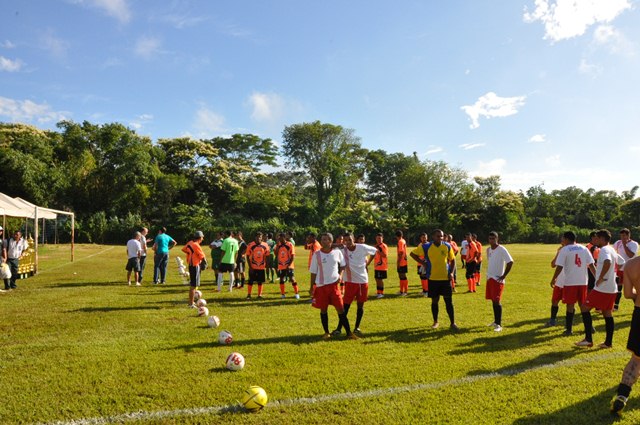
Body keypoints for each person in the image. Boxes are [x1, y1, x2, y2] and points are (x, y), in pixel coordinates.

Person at [576, 229, 622, 348]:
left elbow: (607, 262)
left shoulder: (604, 250)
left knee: (585, 308)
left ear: (602, 239)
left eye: (596, 238)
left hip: (602, 288)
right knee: (607, 313)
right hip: (612, 287)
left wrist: (601, 277)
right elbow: (621, 262)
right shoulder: (612, 249)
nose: (595, 240)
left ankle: (588, 339)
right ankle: (608, 342)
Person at [309, 232, 357, 340]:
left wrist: (340, 275)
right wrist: (311, 287)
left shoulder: (337, 253)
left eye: (326, 239)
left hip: (334, 286)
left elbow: (343, 265)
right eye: (322, 239)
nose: (323, 241)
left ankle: (349, 333)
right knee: (323, 310)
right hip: (321, 287)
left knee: (341, 309)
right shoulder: (316, 254)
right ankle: (326, 332)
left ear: (331, 242)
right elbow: (313, 272)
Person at [410, 229, 458, 330]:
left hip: (445, 279)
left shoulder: (447, 246)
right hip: (433, 279)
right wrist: (423, 263)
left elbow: (453, 260)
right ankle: (435, 322)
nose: (440, 238)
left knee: (448, 302)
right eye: (437, 236)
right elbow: (412, 254)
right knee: (434, 301)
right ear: (433, 237)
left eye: (441, 236)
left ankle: (453, 323)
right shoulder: (426, 247)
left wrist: (452, 273)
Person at [331, 232, 378, 336]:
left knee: (360, 306)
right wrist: (338, 244)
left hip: (362, 281)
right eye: (345, 240)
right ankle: (339, 328)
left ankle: (357, 327)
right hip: (350, 282)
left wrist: (368, 263)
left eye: (350, 240)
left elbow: (375, 251)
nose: (348, 242)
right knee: (345, 307)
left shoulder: (362, 247)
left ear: (354, 239)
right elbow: (328, 245)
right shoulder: (342, 249)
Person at [549, 231, 595, 336]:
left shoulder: (565, 250)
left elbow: (559, 266)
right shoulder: (584, 248)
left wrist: (553, 278)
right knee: (583, 305)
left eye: (562, 238)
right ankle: (589, 327)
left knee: (570, 305)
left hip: (570, 282)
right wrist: (597, 278)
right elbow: (591, 265)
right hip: (583, 281)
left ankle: (569, 330)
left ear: (566, 239)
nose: (561, 240)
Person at [610, 254, 640, 415]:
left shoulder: (631, 264)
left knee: (636, 359)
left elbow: (627, 294)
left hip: (639, 311)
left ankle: (622, 395)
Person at [485, 231, 514, 332]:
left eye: (493, 238)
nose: (491, 240)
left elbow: (510, 262)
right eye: (490, 238)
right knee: (493, 300)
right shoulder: (488, 250)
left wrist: (504, 275)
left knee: (497, 301)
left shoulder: (502, 249)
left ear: (497, 239)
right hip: (490, 278)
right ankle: (495, 321)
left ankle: (499, 325)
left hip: (497, 279)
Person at [613, 228, 639, 311]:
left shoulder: (634, 244)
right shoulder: (617, 243)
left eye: (624, 236)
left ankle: (637, 305)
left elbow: (630, 255)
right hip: (620, 269)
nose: (622, 238)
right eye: (621, 236)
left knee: (632, 290)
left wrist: (624, 245)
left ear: (628, 235)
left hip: (630, 270)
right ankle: (615, 306)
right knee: (618, 288)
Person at [182, 231, 206, 308]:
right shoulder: (196, 245)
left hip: (191, 264)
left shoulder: (190, 242)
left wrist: (190, 254)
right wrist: (204, 263)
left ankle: (192, 302)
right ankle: (191, 303)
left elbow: (184, 249)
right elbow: (202, 256)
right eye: (202, 237)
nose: (203, 239)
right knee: (193, 285)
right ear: (200, 238)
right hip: (195, 265)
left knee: (194, 284)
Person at [546, 240, 566, 327]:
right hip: (570, 281)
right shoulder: (580, 249)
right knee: (570, 304)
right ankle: (568, 325)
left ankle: (553, 320)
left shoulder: (563, 250)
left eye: (562, 239)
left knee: (555, 301)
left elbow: (553, 264)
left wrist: (559, 252)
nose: (561, 241)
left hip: (562, 280)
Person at [246, 232, 270, 300]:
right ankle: (249, 294)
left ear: (262, 237)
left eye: (260, 237)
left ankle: (259, 295)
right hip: (253, 266)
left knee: (260, 281)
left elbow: (267, 256)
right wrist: (250, 267)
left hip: (261, 266)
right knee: (251, 281)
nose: (259, 238)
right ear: (255, 237)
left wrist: (267, 265)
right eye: (257, 237)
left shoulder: (265, 245)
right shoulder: (250, 245)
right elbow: (247, 256)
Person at [276, 232, 299, 299]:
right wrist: (277, 245)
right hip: (281, 265)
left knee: (292, 279)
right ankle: (283, 294)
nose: (279, 239)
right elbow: (276, 253)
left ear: (283, 237)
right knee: (281, 279)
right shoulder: (279, 245)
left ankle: (297, 293)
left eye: (280, 238)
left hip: (289, 265)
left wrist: (289, 265)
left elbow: (292, 256)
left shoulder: (289, 245)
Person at [372, 233, 388, 299]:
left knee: (380, 279)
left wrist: (378, 251)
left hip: (382, 266)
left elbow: (385, 255)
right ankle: (378, 292)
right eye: (377, 238)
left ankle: (381, 293)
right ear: (376, 239)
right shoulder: (376, 246)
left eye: (380, 238)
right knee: (377, 279)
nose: (379, 239)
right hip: (376, 266)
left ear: (382, 239)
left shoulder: (383, 246)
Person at [396, 230, 409, 296]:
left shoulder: (400, 242)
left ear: (396, 236)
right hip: (403, 261)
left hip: (402, 262)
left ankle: (405, 291)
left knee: (403, 276)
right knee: (401, 276)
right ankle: (401, 291)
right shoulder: (403, 240)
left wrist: (398, 262)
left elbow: (401, 252)